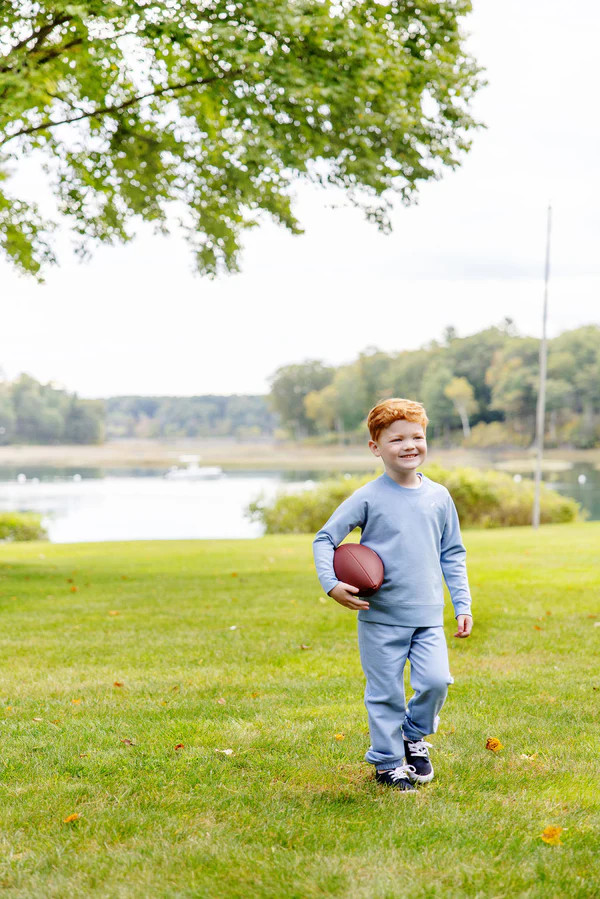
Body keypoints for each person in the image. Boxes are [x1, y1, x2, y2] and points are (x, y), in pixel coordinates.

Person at [313, 397, 473, 792]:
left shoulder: (439, 496)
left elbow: (452, 553)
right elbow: (325, 538)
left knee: (436, 681)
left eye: (417, 436)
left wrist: (462, 603)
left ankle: (412, 735)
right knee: (385, 694)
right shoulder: (369, 496)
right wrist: (331, 584)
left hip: (428, 616)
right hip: (380, 616)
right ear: (376, 448)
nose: (409, 445)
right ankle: (387, 763)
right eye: (397, 439)